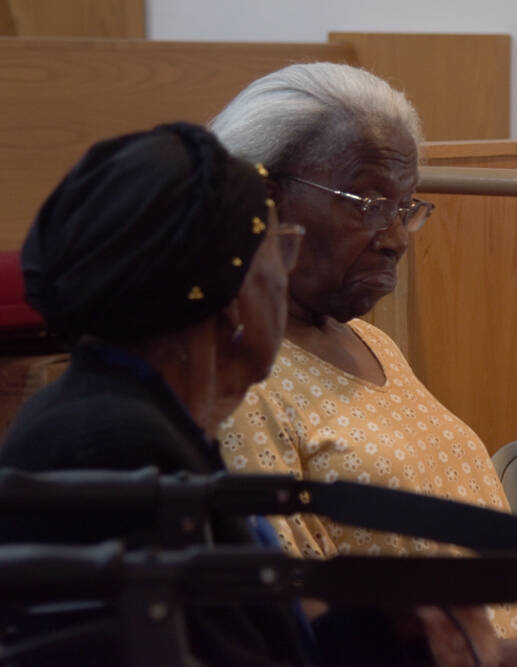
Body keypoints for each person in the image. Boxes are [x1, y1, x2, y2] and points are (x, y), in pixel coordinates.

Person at [209, 62, 517, 667]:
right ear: (267, 196)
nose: (396, 237)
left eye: (405, 206)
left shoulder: (373, 343)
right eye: (367, 202)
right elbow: (299, 634)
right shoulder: (240, 383)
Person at [0, 122, 310, 664]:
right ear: (232, 298)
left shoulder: (124, 415)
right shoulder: (114, 446)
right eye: (278, 251)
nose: (286, 279)